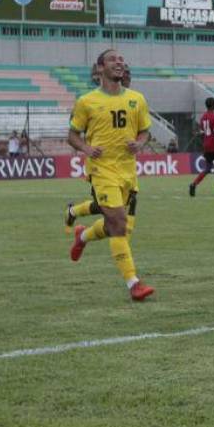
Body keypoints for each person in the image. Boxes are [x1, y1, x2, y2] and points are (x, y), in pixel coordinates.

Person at [66, 49, 154, 301]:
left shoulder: (137, 98)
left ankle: (82, 235)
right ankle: (133, 283)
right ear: (100, 68)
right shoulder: (87, 101)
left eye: (121, 60)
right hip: (101, 170)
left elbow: (145, 131)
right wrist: (85, 148)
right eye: (113, 59)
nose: (119, 62)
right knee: (118, 223)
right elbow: (72, 135)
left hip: (127, 171)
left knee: (117, 224)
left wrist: (140, 143)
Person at [189, 97, 214, 196]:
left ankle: (194, 184)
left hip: (206, 146)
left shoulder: (203, 118)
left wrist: (204, 145)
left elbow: (202, 134)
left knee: (208, 168)